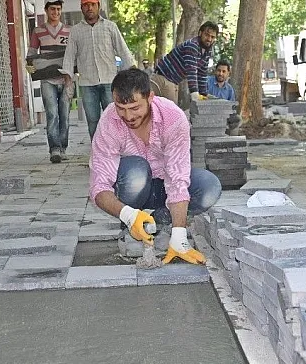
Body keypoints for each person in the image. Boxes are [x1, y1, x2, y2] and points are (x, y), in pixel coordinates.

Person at [89, 69, 222, 265]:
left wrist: (180, 235)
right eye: (121, 108)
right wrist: (128, 214)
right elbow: (99, 186)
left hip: (164, 187)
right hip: (133, 186)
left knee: (209, 187)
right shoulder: (110, 121)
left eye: (135, 108)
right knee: (136, 170)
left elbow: (177, 176)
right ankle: (133, 227)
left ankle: (163, 222)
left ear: (150, 97)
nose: (128, 116)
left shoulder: (173, 118)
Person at [62, 0, 135, 140]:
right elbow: (69, 56)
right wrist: (68, 80)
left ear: (98, 6)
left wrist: (133, 73)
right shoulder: (76, 31)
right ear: (81, 8)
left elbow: (123, 50)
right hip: (87, 83)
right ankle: (98, 154)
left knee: (115, 118)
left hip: (110, 82)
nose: (89, 8)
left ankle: (117, 149)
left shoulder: (110, 27)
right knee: (93, 121)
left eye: (92, 4)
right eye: (86, 5)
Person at [27, 0, 72, 164]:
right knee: (52, 114)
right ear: (46, 10)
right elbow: (31, 53)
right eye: (52, 9)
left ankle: (63, 148)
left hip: (67, 79)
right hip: (47, 79)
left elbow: (74, 54)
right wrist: (30, 66)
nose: (56, 12)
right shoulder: (38, 31)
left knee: (65, 115)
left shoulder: (69, 31)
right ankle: (54, 149)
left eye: (58, 9)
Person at [150, 21, 219, 105]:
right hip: (163, 78)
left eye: (212, 37)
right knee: (171, 114)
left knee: (170, 113)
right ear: (200, 33)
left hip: (172, 81)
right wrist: (194, 93)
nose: (209, 39)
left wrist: (203, 94)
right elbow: (191, 71)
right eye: (207, 35)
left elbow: (202, 74)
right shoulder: (193, 45)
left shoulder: (207, 51)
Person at [207, 59, 241, 134]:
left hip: (223, 117)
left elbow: (232, 107)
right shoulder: (207, 82)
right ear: (215, 71)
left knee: (236, 119)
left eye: (224, 71)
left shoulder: (229, 89)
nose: (221, 74)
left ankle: (229, 142)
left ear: (228, 73)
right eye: (219, 70)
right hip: (207, 115)